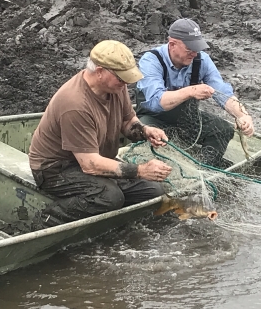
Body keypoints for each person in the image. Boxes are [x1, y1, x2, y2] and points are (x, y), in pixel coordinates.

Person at [29, 40, 173, 227]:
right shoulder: (75, 104)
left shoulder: (115, 87)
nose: (126, 83)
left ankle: (110, 224)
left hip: (93, 158)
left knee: (152, 191)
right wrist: (141, 170)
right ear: (99, 72)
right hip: (56, 169)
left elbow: (127, 121)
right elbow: (90, 165)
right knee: (110, 197)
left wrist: (145, 131)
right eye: (121, 78)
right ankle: (46, 221)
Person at [135, 18, 255, 167]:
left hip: (187, 120)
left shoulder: (202, 60)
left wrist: (242, 115)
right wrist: (191, 91)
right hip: (153, 118)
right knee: (146, 134)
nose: (194, 53)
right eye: (189, 49)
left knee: (223, 130)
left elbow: (222, 92)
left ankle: (201, 168)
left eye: (197, 48)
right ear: (172, 44)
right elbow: (156, 101)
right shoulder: (151, 61)